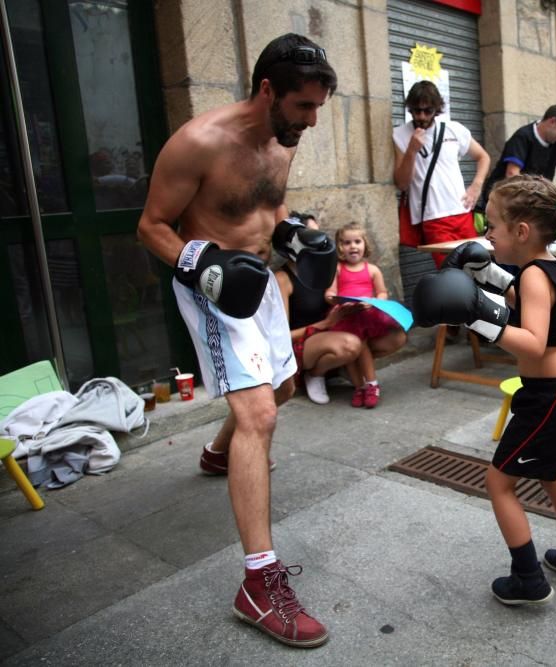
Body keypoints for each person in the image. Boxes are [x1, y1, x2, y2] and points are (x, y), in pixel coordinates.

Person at [136, 33, 336, 647]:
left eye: (318, 109)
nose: (310, 120)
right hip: (210, 285)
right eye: (303, 107)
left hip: (260, 283)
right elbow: (151, 226)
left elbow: (267, 212)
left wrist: (294, 237)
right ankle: (258, 583)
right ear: (268, 89)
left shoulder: (284, 140)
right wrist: (205, 267)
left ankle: (220, 455)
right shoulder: (198, 143)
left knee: (282, 385)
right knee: (260, 415)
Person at [413, 174, 556, 605]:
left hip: (550, 399)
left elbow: (533, 340)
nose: (486, 232)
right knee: (554, 478)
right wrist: (490, 275)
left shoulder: (535, 275)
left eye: (491, 224)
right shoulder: (544, 267)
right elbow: (526, 302)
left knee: (498, 483)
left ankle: (528, 580)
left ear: (521, 231)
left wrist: (477, 313)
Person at [393, 80, 491, 267]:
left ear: (437, 110)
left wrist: (476, 186)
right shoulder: (400, 135)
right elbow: (402, 183)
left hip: (461, 212)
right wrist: (412, 151)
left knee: (478, 267)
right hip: (433, 217)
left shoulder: (454, 129)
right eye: (416, 111)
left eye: (427, 111)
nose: (421, 116)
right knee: (451, 272)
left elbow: (483, 157)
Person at [274, 211, 365, 406]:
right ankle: (315, 374)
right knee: (351, 345)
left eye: (319, 234)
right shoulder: (283, 279)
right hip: (300, 344)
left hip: (330, 334)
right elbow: (281, 338)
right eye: (311, 236)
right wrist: (326, 323)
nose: (320, 241)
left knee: (394, 338)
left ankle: (336, 366)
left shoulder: (323, 269)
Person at [323, 222, 407, 408]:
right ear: (340, 247)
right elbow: (330, 293)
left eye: (357, 241)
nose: (352, 246)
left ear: (365, 244)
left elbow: (382, 293)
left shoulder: (372, 270)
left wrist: (375, 301)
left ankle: (370, 385)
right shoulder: (337, 269)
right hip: (346, 316)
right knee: (354, 351)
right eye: (346, 242)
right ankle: (360, 386)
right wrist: (334, 300)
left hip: (368, 315)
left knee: (362, 346)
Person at [477, 104, 556, 215]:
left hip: (532, 200)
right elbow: (512, 174)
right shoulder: (523, 137)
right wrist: (527, 205)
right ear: (552, 121)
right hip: (503, 199)